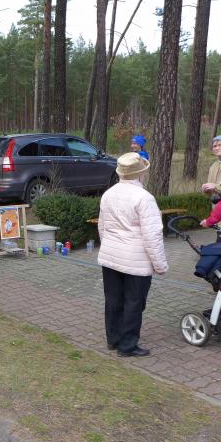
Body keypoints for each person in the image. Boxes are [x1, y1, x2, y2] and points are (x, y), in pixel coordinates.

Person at [97, 152, 168, 357]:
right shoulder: (144, 198)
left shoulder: (108, 194)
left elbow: (102, 227)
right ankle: (127, 345)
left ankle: (113, 339)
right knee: (134, 302)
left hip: (111, 255)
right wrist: (160, 265)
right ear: (140, 174)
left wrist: (109, 246)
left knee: (113, 300)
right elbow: (152, 235)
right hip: (135, 260)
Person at [201, 135, 221, 209]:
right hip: (216, 207)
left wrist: (215, 187)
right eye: (215, 146)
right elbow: (211, 193)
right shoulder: (213, 166)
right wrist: (206, 189)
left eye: (220, 145)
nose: (217, 148)